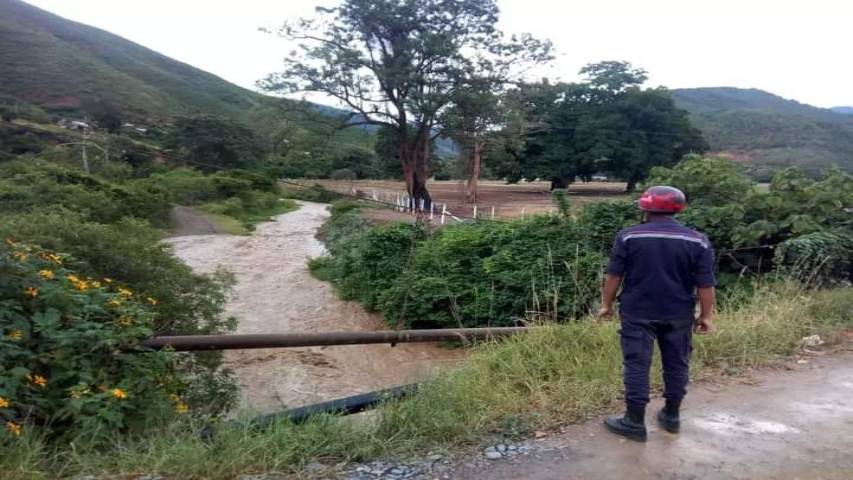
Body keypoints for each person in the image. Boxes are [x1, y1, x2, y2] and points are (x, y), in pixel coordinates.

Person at [597, 185, 716, 442]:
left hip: (637, 312)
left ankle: (634, 421)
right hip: (679, 313)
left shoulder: (628, 236)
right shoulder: (697, 240)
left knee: (637, 364)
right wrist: (706, 316)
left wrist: (606, 305)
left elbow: (614, 276)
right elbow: (705, 284)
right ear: (679, 208)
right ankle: (672, 417)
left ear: (644, 207)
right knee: (677, 363)